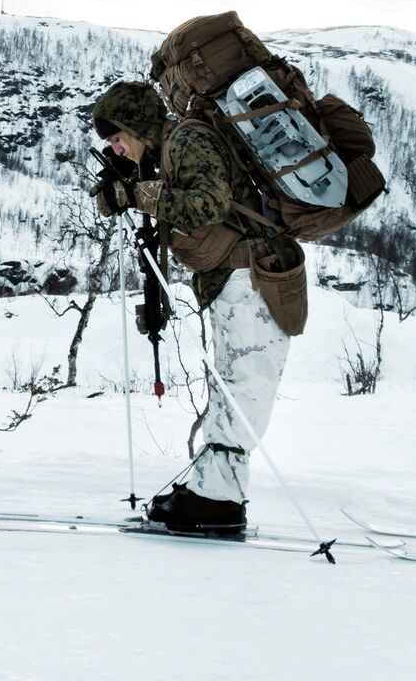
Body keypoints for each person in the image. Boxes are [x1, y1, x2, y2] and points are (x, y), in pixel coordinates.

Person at [89, 80, 302, 537]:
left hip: (254, 275)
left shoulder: (188, 138)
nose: (115, 147)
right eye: (109, 142)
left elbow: (208, 205)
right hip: (234, 279)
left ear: (139, 125)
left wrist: (135, 194)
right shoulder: (166, 152)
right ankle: (213, 490)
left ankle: (218, 501)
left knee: (243, 388)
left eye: (118, 136)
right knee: (230, 385)